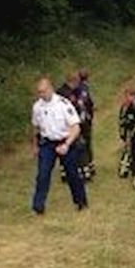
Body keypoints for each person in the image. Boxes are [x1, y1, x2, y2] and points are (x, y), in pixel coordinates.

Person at [31, 77, 87, 214]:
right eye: (39, 92)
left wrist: (67, 144)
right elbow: (35, 128)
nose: (41, 95)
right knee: (42, 174)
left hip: (65, 140)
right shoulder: (37, 106)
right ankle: (38, 206)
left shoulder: (63, 104)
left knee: (72, 173)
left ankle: (80, 202)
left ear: (50, 89)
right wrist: (35, 146)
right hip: (47, 143)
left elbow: (76, 127)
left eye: (43, 91)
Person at [56, 72, 95, 181]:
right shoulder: (62, 93)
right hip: (69, 124)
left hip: (83, 121)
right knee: (73, 146)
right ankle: (69, 171)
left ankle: (87, 167)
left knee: (84, 144)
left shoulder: (81, 89)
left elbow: (88, 103)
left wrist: (89, 117)